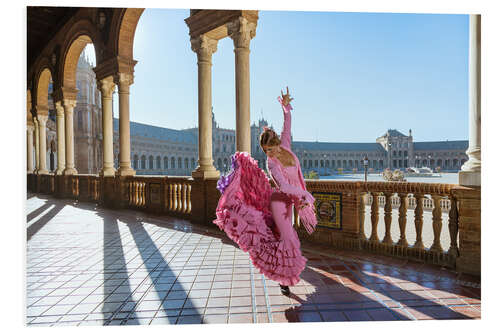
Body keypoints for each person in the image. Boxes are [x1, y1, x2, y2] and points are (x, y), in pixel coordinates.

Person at [213, 87, 317, 296]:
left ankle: (283, 278)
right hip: (279, 203)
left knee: (284, 238)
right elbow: (283, 186)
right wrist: (304, 194)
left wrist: (286, 108)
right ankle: (285, 277)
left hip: (291, 203)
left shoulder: (286, 147)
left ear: (278, 143)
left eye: (271, 149)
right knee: (288, 239)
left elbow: (287, 126)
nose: (270, 154)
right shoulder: (271, 164)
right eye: (266, 151)